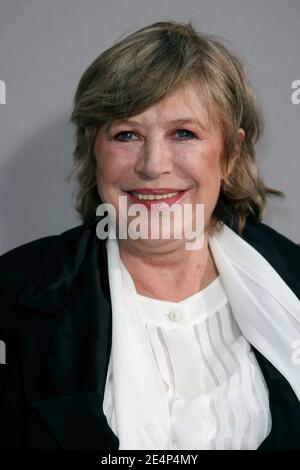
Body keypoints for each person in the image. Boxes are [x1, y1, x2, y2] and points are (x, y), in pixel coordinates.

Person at [0, 20, 299, 451]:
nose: (153, 164)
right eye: (127, 134)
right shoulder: (11, 296)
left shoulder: (293, 282)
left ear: (229, 155)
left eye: (184, 133)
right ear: (93, 150)